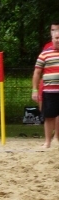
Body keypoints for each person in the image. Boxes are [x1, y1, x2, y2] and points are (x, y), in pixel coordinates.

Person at [32, 21, 59, 149]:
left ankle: (57, 139)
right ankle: (47, 142)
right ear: (52, 38)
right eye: (56, 38)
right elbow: (37, 73)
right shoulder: (44, 54)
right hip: (49, 91)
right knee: (49, 116)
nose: (58, 40)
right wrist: (34, 90)